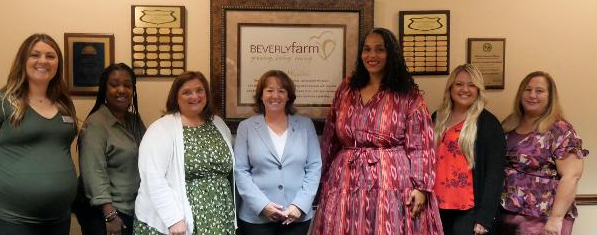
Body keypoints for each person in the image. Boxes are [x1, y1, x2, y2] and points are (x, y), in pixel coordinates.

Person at [310, 28, 442, 235]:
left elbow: (421, 144)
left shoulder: (407, 94)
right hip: (345, 180)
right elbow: (330, 137)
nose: (371, 56)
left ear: (391, 54)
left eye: (379, 50)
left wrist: (422, 187)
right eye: (367, 49)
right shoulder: (346, 89)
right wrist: (321, 176)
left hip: (391, 181)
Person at [0, 33, 77, 235]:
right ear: (23, 60)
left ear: (58, 63)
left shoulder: (64, 104)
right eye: (35, 55)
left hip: (58, 216)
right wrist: (5, 181)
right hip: (12, 218)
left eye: (51, 56)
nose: (43, 61)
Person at [134, 71, 235, 235]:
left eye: (199, 90)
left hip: (219, 215)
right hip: (176, 219)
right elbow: (153, 177)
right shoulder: (161, 129)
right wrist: (173, 219)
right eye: (186, 92)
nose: (194, 96)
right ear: (176, 97)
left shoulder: (218, 124)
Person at [499, 71, 588, 235]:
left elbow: (571, 176)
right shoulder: (508, 124)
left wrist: (555, 219)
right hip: (507, 217)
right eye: (528, 89)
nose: (532, 95)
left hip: (542, 220)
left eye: (539, 91)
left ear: (550, 96)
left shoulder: (560, 129)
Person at [234, 70, 322, 235]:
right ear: (261, 95)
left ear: (289, 96)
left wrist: (299, 205)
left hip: (296, 217)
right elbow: (240, 171)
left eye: (281, 91)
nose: (275, 95)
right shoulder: (246, 127)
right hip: (256, 218)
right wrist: (263, 206)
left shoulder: (305, 125)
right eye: (269, 90)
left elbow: (314, 167)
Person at [432, 64, 505, 235]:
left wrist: (484, 218)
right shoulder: (437, 117)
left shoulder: (488, 124)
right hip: (436, 206)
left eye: (471, 85)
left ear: (479, 90)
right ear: (450, 88)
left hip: (469, 210)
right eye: (459, 84)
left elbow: (495, 174)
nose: (465, 89)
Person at [75, 63, 146, 235]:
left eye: (127, 85)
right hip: (107, 214)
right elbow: (94, 172)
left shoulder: (135, 122)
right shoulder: (96, 124)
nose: (121, 90)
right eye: (114, 84)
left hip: (133, 209)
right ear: (104, 90)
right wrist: (110, 215)